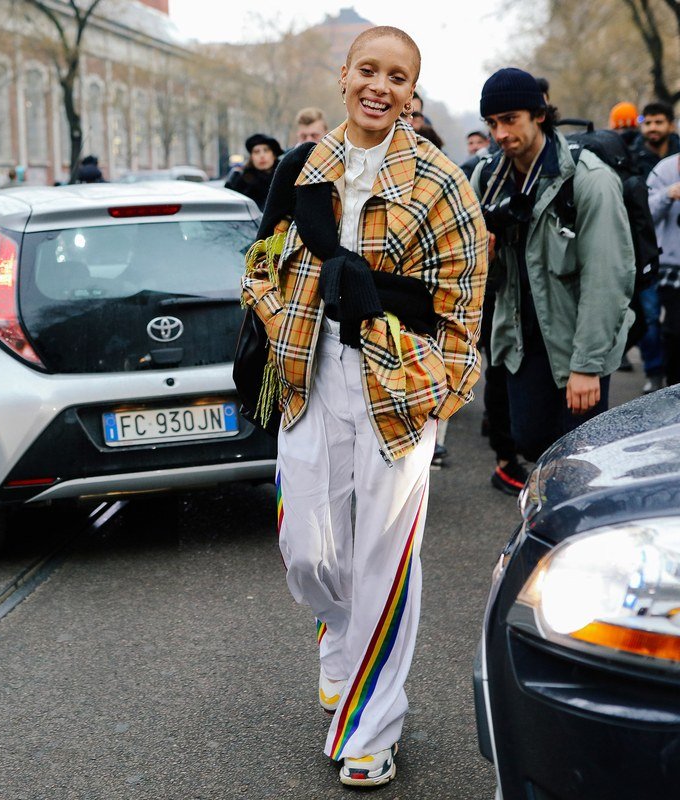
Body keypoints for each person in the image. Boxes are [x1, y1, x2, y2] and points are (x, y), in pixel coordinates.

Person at [241, 25, 487, 788]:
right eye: (369, 71)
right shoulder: (300, 169)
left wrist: (438, 394)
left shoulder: (443, 184)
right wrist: (278, 314)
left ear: (412, 92)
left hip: (398, 391)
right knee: (308, 552)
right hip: (307, 380)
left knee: (387, 560)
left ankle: (372, 730)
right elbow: (258, 261)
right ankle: (343, 641)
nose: (381, 86)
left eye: (399, 77)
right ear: (345, 76)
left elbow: (463, 309)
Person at [472, 67, 635, 463]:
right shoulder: (487, 178)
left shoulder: (589, 180)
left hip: (576, 341)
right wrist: (486, 258)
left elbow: (607, 278)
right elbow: (481, 280)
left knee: (579, 459)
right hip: (519, 343)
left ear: (539, 114)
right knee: (530, 444)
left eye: (510, 120)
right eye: (492, 124)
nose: (500, 135)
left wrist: (587, 367)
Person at [647, 153, 680, 386]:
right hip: (672, 267)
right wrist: (668, 194)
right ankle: (672, 386)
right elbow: (646, 213)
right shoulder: (664, 170)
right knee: (675, 329)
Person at [225, 133, 282, 210]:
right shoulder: (239, 181)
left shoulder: (285, 177)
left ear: (274, 155)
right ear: (251, 157)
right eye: (256, 152)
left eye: (266, 150)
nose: (262, 155)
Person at [632, 101, 680, 180]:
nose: (652, 128)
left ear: (671, 126)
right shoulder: (632, 157)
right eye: (648, 123)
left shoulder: (677, 156)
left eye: (658, 122)